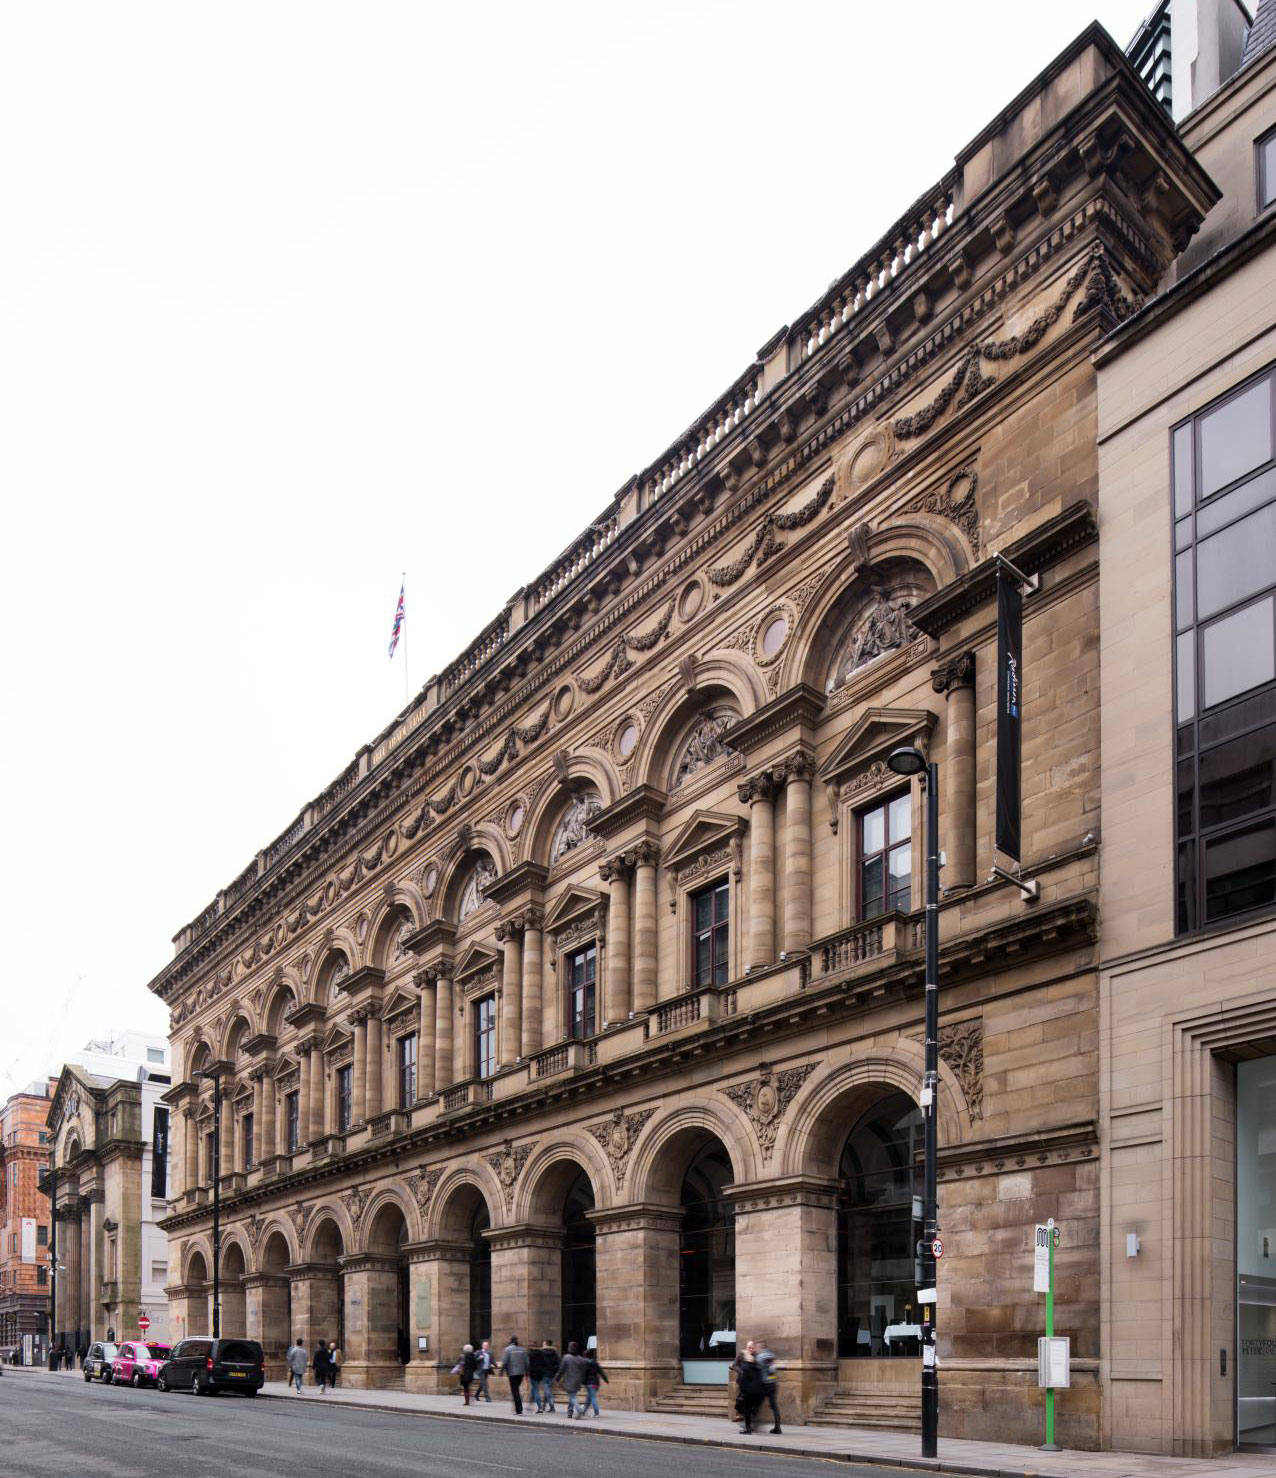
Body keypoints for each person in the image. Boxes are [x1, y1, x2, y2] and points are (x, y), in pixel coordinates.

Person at [735, 1344, 765, 1435]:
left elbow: (743, 1381)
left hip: (748, 1391)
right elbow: (760, 1378)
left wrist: (743, 1392)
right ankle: (750, 1425)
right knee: (752, 1409)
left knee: (747, 1409)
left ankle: (748, 1429)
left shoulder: (745, 1366)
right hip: (757, 1391)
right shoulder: (757, 1366)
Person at [755, 1339, 782, 1434]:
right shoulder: (771, 1355)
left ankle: (753, 1425)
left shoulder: (759, 1357)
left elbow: (757, 1370)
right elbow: (773, 1370)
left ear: (760, 1347)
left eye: (757, 1347)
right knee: (774, 1406)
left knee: (757, 1404)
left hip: (763, 1385)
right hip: (773, 1384)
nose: (756, 1349)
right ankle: (777, 1427)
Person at [498, 1334, 529, 1414]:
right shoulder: (523, 1349)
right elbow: (527, 1363)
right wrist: (527, 1373)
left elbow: (505, 1362)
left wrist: (501, 1371)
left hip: (512, 1373)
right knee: (516, 1389)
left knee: (515, 1390)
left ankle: (519, 1410)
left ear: (510, 1341)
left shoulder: (507, 1349)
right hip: (521, 1373)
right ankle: (517, 1407)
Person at [556, 1340, 587, 1418]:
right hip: (577, 1381)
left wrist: (557, 1378)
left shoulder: (566, 1357)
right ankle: (570, 1412)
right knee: (572, 1396)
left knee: (572, 1397)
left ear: (570, 1348)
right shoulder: (580, 1358)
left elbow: (561, 1369)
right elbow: (583, 1370)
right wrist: (582, 1380)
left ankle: (579, 1410)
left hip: (570, 1380)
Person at [532, 1338, 559, 1413]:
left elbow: (539, 1364)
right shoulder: (555, 1353)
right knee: (547, 1389)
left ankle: (552, 1406)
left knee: (547, 1390)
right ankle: (544, 1406)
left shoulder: (541, 1352)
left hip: (544, 1374)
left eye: (543, 1344)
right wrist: (554, 1371)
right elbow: (558, 1364)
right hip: (551, 1374)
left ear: (546, 1344)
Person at [581, 1347, 608, 1417]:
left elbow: (583, 1374)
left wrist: (582, 1382)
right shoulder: (595, 1363)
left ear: (585, 1356)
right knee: (588, 1399)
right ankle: (583, 1412)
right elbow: (601, 1372)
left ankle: (596, 1413)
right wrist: (606, 1380)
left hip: (589, 1383)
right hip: (596, 1383)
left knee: (592, 1398)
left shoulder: (585, 1363)